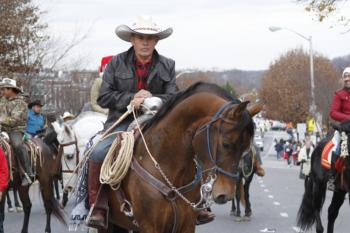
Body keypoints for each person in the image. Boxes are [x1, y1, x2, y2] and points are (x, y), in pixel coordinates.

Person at [86, 15, 181, 229]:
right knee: (98, 151)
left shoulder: (168, 64)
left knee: (187, 146)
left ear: (157, 41)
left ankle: (196, 203)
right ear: (132, 39)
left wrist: (151, 99)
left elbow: (174, 97)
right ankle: (98, 207)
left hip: (157, 120)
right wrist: (132, 99)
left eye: (150, 38)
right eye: (140, 37)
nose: (145, 42)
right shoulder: (115, 63)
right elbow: (104, 97)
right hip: (122, 120)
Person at [0, 78, 33, 186]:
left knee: (17, 145)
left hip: (16, 130)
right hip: (3, 129)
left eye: (4, 89)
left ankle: (28, 173)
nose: (2, 91)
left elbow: (14, 120)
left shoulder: (21, 103)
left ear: (11, 90)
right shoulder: (2, 100)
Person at [328, 66, 350, 190]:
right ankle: (332, 177)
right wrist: (348, 118)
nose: (347, 79)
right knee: (336, 148)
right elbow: (333, 113)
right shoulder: (339, 94)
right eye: (345, 76)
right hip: (344, 129)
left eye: (349, 76)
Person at [0, 147, 9, 233]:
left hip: (12, 133)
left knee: (18, 146)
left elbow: (3, 170)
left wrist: (0, 189)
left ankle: (26, 172)